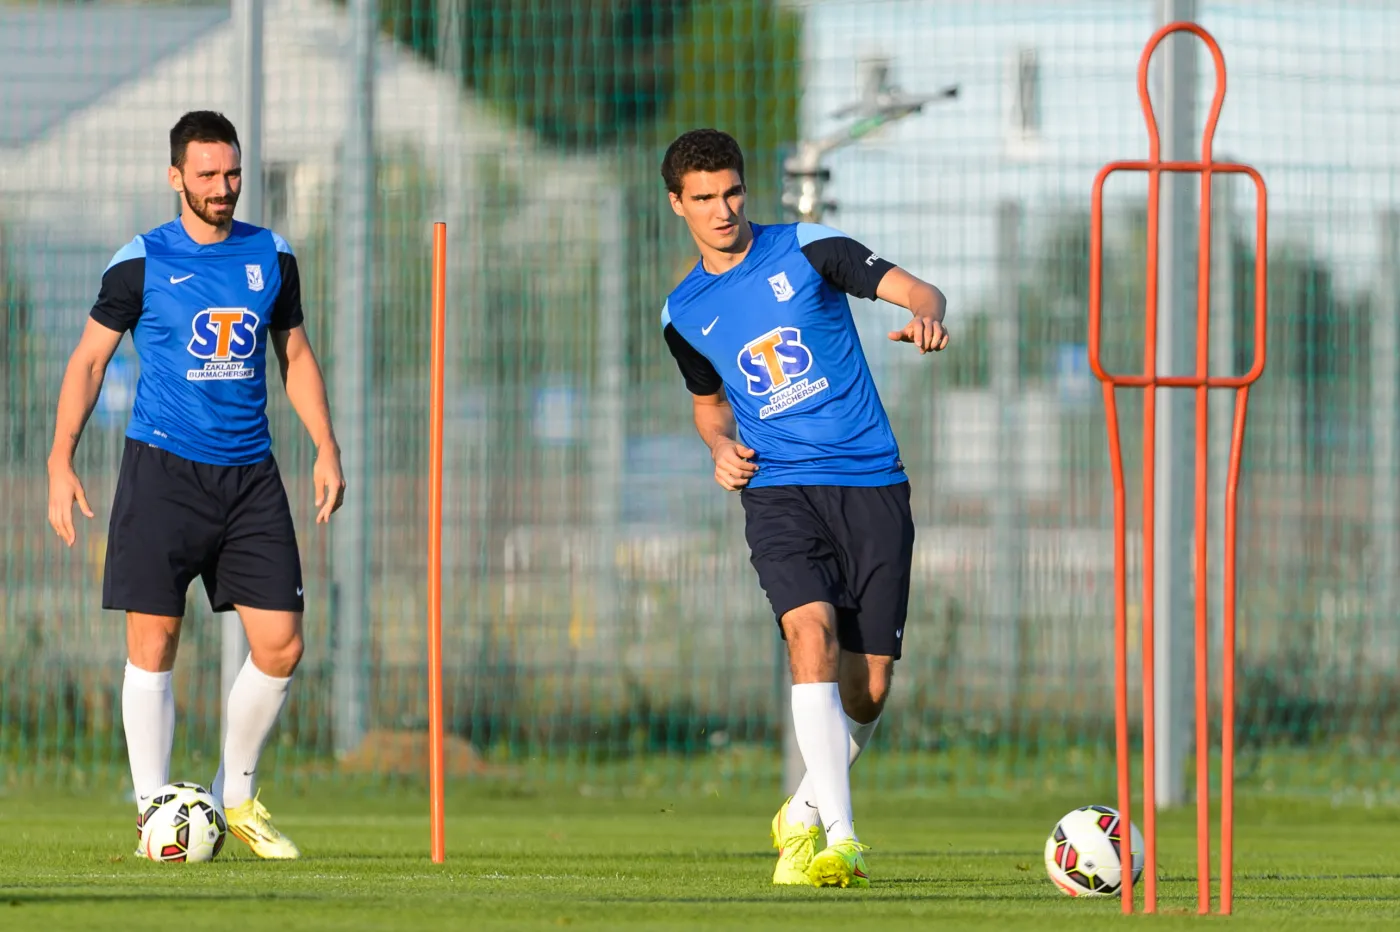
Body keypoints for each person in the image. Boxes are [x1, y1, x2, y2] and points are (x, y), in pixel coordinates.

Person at [45, 110, 345, 860]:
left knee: (281, 643)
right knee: (154, 641)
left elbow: (295, 355)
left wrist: (325, 445)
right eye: (207, 174)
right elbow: (89, 361)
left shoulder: (272, 255)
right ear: (176, 176)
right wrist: (60, 459)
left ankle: (232, 797)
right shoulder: (141, 261)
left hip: (251, 476)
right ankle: (154, 814)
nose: (223, 187)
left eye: (232, 172)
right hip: (162, 472)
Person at [658, 128, 950, 888]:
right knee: (808, 632)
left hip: (872, 483)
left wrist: (926, 315)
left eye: (732, 192)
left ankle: (803, 809)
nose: (723, 210)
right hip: (779, 490)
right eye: (704, 198)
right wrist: (719, 447)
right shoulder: (683, 313)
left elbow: (920, 291)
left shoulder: (809, 249)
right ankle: (842, 839)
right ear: (677, 205)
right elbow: (709, 405)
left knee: (869, 690)